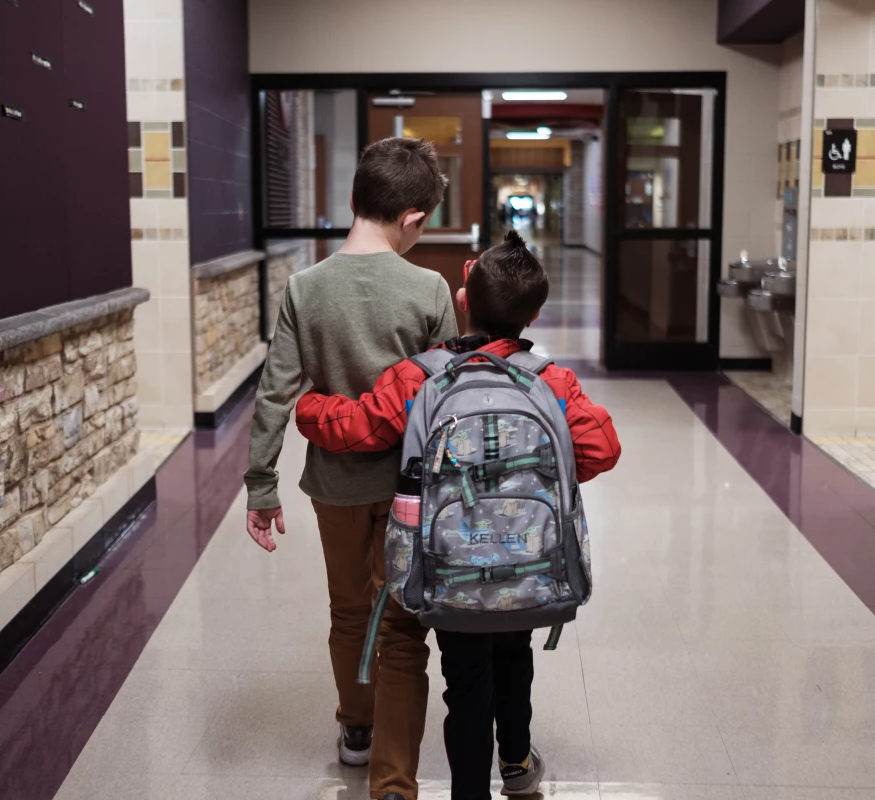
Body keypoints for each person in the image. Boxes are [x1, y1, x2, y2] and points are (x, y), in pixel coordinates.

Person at [294, 231, 622, 799]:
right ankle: (516, 763)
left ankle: (469, 790)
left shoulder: (422, 375)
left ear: (463, 299)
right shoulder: (552, 381)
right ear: (534, 315)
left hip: (451, 572)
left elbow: (363, 428)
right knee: (515, 657)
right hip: (527, 566)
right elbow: (601, 450)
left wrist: (310, 406)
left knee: (466, 681)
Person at [243, 137, 459, 800]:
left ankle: (356, 728)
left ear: (353, 199)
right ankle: (393, 782)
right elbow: (447, 401)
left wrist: (261, 484)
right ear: (413, 218)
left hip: (333, 486)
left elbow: (275, 393)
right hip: (409, 492)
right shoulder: (429, 289)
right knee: (402, 624)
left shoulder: (304, 288)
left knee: (347, 609)